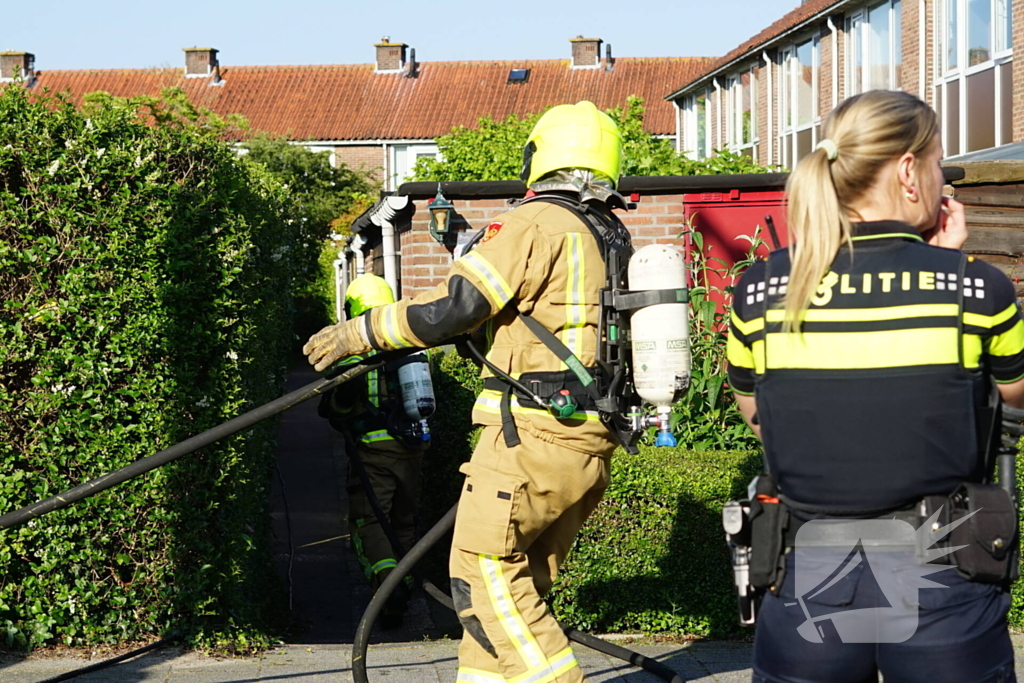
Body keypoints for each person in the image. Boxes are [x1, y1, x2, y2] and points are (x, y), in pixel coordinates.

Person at [305, 100, 629, 683]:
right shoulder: (608, 232)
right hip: (585, 441)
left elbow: (457, 306)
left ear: (540, 156)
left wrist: (361, 331)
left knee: (483, 572)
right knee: (504, 601)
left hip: (529, 435)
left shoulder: (533, 223)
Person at [727, 90, 1024, 683]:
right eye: (939, 163)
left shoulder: (758, 291)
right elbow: (1018, 399)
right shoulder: (974, 291)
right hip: (943, 574)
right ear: (909, 172)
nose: (944, 182)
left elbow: (756, 412)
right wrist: (949, 266)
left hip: (809, 573)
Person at [318, 273, 427, 629]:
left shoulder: (355, 353)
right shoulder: (409, 346)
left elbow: (338, 410)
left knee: (371, 523)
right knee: (404, 521)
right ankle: (405, 583)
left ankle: (388, 589)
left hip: (372, 452)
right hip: (412, 449)